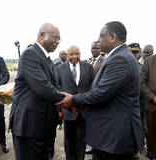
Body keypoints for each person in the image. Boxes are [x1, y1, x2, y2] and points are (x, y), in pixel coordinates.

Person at [55, 21, 143, 160]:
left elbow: (100, 94)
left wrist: (73, 100)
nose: (98, 40)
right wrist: (82, 105)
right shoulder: (117, 56)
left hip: (113, 136)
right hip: (108, 134)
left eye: (101, 36)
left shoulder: (120, 59)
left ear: (112, 37)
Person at [8, 23, 64, 160]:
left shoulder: (47, 59)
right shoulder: (30, 54)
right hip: (29, 126)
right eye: (55, 37)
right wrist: (71, 101)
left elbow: (54, 86)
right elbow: (43, 86)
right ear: (42, 35)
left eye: (59, 39)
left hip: (42, 125)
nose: (57, 42)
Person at [56, 45, 95, 160]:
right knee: (69, 140)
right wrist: (59, 111)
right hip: (67, 112)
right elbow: (57, 90)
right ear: (67, 55)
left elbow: (93, 88)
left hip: (83, 111)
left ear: (80, 54)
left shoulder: (88, 67)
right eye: (71, 54)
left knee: (82, 139)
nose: (74, 56)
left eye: (77, 54)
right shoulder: (60, 68)